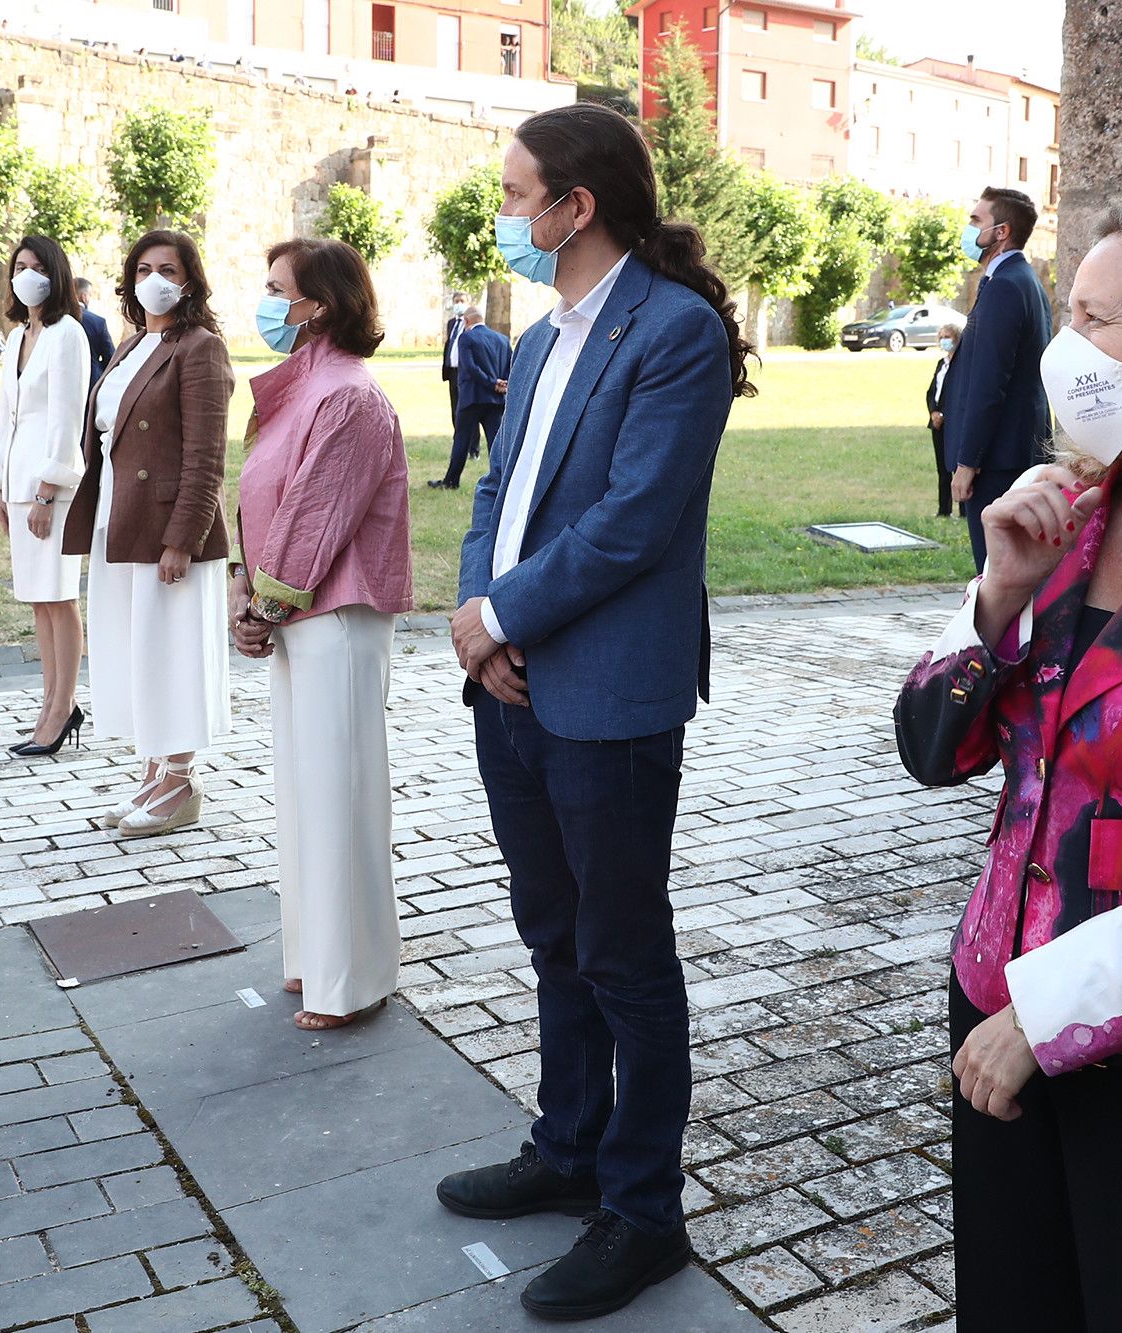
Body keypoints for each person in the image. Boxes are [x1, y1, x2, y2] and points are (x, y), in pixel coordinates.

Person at [895, 191, 1122, 1331]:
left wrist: (1048, 1011)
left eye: (1097, 321)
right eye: (1065, 315)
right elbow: (929, 748)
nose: (1066, 350)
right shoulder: (1067, 519)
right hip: (994, 1010)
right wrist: (995, 596)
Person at [433, 103, 751, 1321]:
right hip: (512, 679)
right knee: (552, 934)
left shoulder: (672, 331)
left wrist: (500, 615)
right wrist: (480, 613)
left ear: (577, 206)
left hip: (606, 691)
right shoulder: (539, 333)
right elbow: (495, 492)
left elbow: (633, 521)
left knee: (622, 953)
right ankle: (567, 1144)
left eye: (518, 195)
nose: (504, 214)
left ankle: (642, 1210)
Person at [230, 237, 411, 1031]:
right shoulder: (298, 390)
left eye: (280, 290)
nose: (268, 303)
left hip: (336, 618)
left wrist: (260, 608)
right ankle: (314, 959)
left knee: (341, 797)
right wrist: (245, 588)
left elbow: (315, 518)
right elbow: (263, 503)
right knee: (306, 797)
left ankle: (353, 981)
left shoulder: (350, 397)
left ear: (323, 305)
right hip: (296, 617)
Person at [63, 230, 234, 838]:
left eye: (168, 269)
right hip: (119, 518)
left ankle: (183, 780)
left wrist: (183, 538)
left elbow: (206, 457)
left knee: (172, 650)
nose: (154, 279)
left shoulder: (201, 348)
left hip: (167, 528)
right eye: (143, 269)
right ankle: (155, 768)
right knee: (136, 649)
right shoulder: (132, 344)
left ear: (190, 281)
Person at [0, 235, 88, 757]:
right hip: (19, 482)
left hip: (51, 487)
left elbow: (68, 417)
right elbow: (9, 416)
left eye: (38, 266)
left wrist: (47, 491)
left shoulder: (68, 334)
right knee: (39, 601)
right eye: (20, 266)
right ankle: (49, 703)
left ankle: (63, 705)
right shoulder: (19, 334)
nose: (26, 275)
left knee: (60, 597)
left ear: (56, 274)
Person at [947, 186, 1052, 570]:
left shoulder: (1006, 286)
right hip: (1013, 452)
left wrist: (968, 462)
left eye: (976, 220)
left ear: (1001, 232)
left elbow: (989, 384)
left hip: (997, 461)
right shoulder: (1020, 279)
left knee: (997, 573)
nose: (968, 228)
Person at [430, 305, 511, 489]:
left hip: (472, 399)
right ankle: (503, 482)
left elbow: (470, 367)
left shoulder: (466, 337)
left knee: (461, 440)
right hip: (495, 400)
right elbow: (511, 365)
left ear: (466, 321)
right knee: (496, 444)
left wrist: (492, 383)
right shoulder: (502, 340)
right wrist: (502, 384)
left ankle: (451, 481)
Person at [926, 322, 962, 518]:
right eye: (940, 337)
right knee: (942, 468)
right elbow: (932, 391)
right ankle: (944, 509)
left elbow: (957, 394)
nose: (943, 340)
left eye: (947, 337)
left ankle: (964, 510)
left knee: (957, 466)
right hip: (937, 423)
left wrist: (945, 415)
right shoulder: (942, 364)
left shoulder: (961, 365)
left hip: (953, 422)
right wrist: (933, 411)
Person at [77, 278, 115, 386]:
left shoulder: (54, 320)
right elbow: (111, 358)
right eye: (90, 295)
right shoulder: (98, 322)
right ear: (84, 297)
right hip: (91, 382)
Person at [440, 291, 466, 427]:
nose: (459, 304)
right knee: (454, 405)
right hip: (452, 371)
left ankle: (470, 438)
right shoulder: (451, 323)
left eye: (462, 301)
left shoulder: (469, 322)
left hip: (465, 370)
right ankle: (457, 434)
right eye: (456, 301)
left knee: (465, 407)